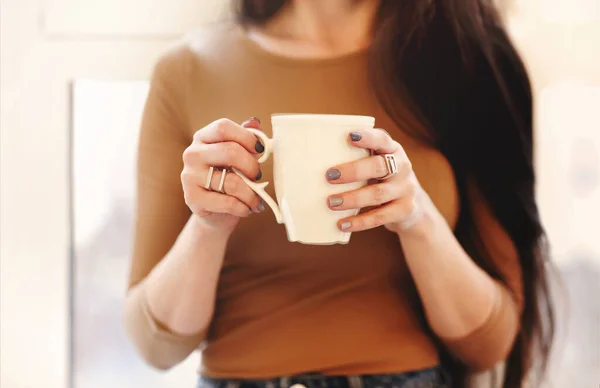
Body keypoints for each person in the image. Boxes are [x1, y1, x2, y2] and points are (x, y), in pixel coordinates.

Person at [123, 1, 555, 387]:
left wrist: (417, 221)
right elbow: (155, 347)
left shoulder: (469, 63)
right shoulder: (187, 72)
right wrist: (208, 225)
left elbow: (491, 343)